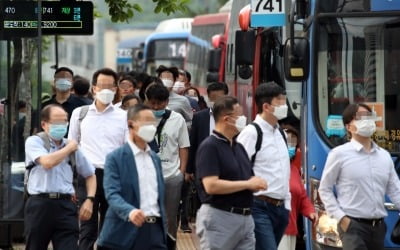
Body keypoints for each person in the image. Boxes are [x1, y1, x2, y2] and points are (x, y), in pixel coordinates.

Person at [318, 103, 400, 250]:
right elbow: (324, 189)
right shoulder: (339, 154)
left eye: (369, 117)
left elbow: (395, 190)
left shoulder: (384, 156)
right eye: (360, 118)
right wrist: (341, 218)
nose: (367, 121)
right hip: (353, 227)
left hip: (379, 228)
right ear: (349, 127)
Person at [195, 96, 267, 250]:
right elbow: (211, 185)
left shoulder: (237, 146)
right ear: (226, 119)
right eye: (240, 116)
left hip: (246, 219)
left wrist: (255, 183)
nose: (244, 119)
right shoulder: (210, 146)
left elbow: (247, 177)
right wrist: (248, 184)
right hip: (220, 217)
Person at [68, 68, 128, 250]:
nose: (107, 90)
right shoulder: (80, 114)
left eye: (111, 86)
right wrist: (70, 181)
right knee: (87, 228)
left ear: (116, 89)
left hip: (114, 176)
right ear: (94, 88)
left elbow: (127, 150)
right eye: (102, 86)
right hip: (87, 176)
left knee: (111, 229)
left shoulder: (124, 116)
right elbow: (71, 146)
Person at [24, 104, 96, 250]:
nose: (61, 126)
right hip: (40, 204)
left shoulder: (73, 148)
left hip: (65, 205)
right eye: (56, 123)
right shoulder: (35, 142)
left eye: (64, 122)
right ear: (44, 124)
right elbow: (47, 162)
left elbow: (90, 174)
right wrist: (69, 148)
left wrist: (90, 199)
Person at [97, 104, 167, 249]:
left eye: (153, 122)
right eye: (146, 121)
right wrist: (130, 211)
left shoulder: (155, 158)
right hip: (124, 230)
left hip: (154, 232)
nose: (151, 126)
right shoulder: (116, 158)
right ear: (131, 124)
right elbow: (112, 193)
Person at [237, 82, 291, 250]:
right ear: (266, 106)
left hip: (281, 208)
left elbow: (283, 170)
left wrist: (287, 205)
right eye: (280, 102)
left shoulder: (280, 132)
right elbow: (237, 167)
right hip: (259, 206)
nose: (285, 106)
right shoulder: (252, 133)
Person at [145, 83, 190, 249]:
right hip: (146, 176)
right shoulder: (141, 118)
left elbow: (183, 146)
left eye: (160, 103)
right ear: (147, 101)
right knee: (147, 215)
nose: (156, 106)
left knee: (170, 217)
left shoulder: (177, 119)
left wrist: (181, 172)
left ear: (167, 101)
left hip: (171, 176)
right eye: (153, 103)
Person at [182, 81, 228, 233]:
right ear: (208, 98)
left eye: (220, 98)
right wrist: (188, 169)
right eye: (213, 99)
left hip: (226, 167)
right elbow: (193, 143)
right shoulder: (199, 118)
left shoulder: (234, 119)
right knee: (205, 201)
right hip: (203, 167)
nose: (216, 102)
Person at [278, 125, 318, 250]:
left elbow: (301, 195)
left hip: (291, 228)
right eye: (288, 141)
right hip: (277, 227)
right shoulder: (271, 168)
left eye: (294, 142)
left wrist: (310, 211)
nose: (291, 146)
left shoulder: (294, 170)